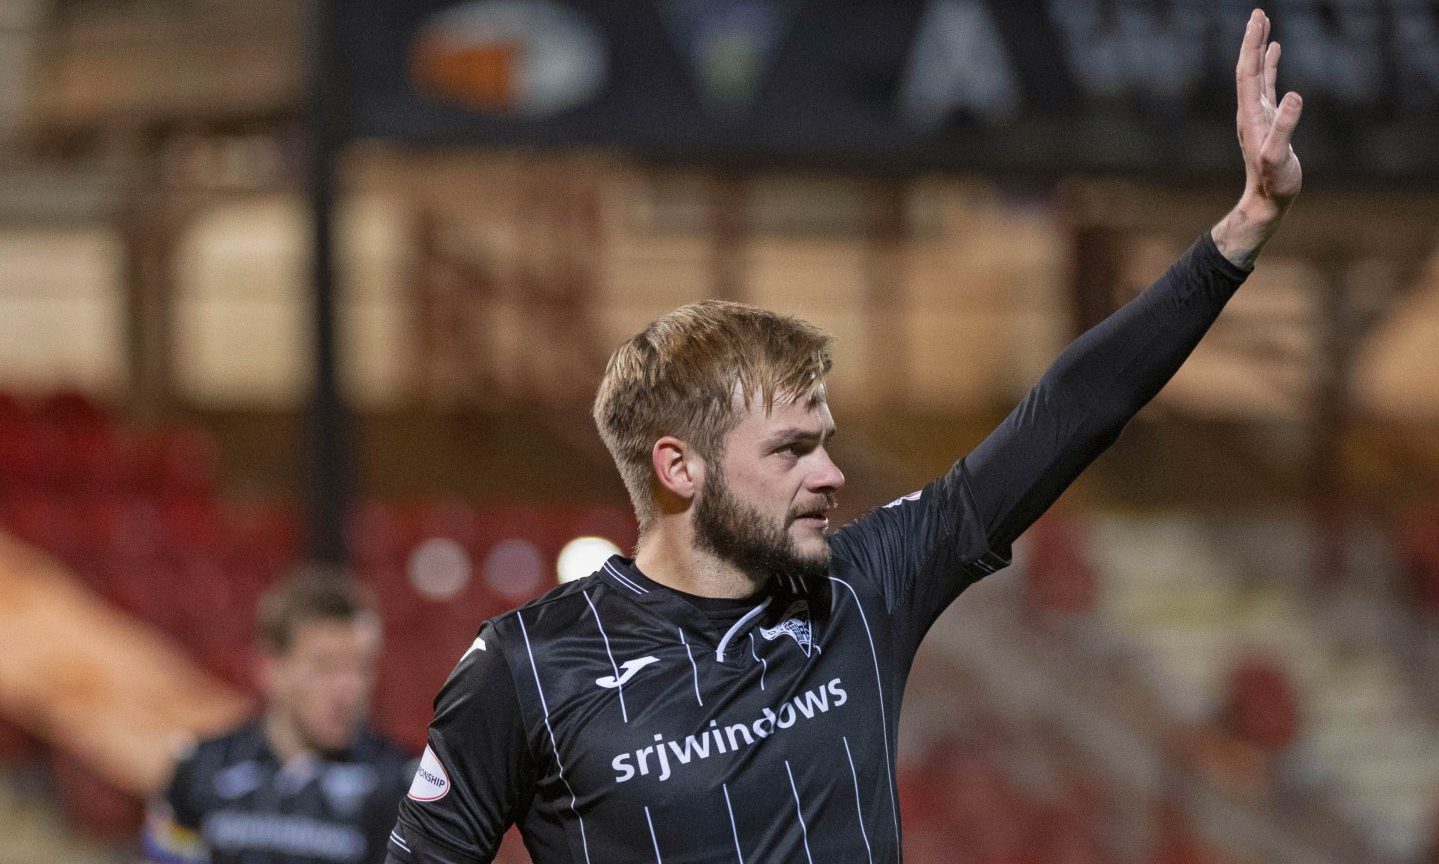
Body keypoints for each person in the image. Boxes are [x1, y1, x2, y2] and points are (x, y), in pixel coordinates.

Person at [386, 10, 1303, 863]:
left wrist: (1236, 236)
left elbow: (1068, 412)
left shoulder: (863, 591)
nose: (829, 474)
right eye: (789, 450)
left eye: (823, 440)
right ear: (679, 467)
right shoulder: (524, 668)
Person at [143, 569, 411, 864]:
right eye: (326, 666)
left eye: (361, 667)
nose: (348, 688)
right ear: (269, 668)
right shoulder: (200, 769)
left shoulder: (400, 784)